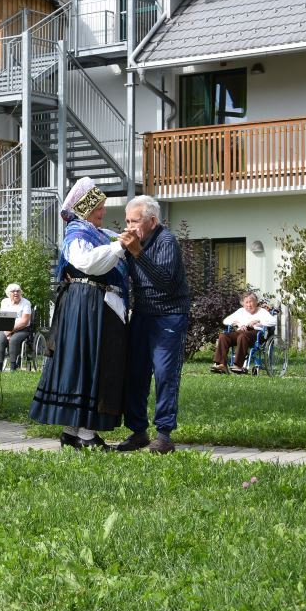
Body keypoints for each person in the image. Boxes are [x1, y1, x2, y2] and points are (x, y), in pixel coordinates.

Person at [28, 178, 128, 450]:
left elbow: (116, 246)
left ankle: (73, 432)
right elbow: (87, 263)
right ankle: (85, 434)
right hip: (86, 305)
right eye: (99, 208)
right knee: (89, 361)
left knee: (87, 361)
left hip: (92, 303)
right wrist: (119, 247)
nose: (103, 212)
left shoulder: (97, 233)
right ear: (85, 209)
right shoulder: (77, 234)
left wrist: (124, 242)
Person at [114, 195, 190, 455]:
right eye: (127, 221)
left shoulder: (167, 241)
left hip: (169, 315)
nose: (129, 227)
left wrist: (138, 253)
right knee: (135, 373)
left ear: (152, 222)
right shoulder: (134, 243)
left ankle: (164, 435)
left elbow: (164, 282)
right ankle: (138, 432)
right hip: (142, 314)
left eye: (134, 221)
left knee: (165, 374)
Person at [211, 292, 276, 374]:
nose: (249, 305)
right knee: (223, 336)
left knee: (243, 336)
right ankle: (221, 364)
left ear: (256, 302)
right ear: (243, 304)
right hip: (241, 331)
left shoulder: (262, 311)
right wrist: (239, 324)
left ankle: (238, 365)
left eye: (251, 302)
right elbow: (226, 321)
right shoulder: (241, 311)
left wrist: (258, 321)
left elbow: (273, 321)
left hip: (256, 333)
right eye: (246, 302)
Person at [0, 283, 32, 372]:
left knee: (13, 340)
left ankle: (13, 367)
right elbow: (2, 318)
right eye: (13, 291)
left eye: (18, 291)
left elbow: (25, 322)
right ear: (8, 293)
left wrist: (10, 331)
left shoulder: (26, 303)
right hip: (6, 328)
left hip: (22, 329)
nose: (16, 293)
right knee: (0, 339)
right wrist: (7, 332)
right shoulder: (4, 302)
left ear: (21, 292)